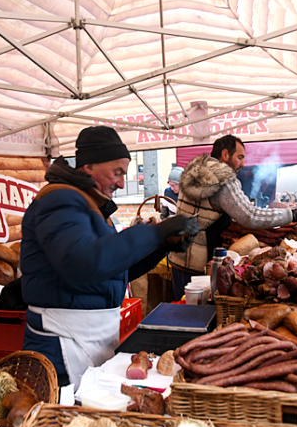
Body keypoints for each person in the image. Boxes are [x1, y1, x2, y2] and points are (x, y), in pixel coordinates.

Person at [20, 125, 199, 388]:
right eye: (117, 172)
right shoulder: (59, 202)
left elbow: (114, 269)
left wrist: (162, 244)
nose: (121, 182)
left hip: (91, 336)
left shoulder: (88, 203)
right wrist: (154, 232)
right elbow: (85, 264)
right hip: (62, 343)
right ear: (89, 166)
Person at [168, 134, 297, 299]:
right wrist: (292, 214)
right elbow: (249, 216)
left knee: (181, 313)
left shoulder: (196, 171)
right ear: (225, 155)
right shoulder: (223, 179)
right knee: (199, 316)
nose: (243, 164)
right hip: (199, 264)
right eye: (239, 157)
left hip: (179, 256)